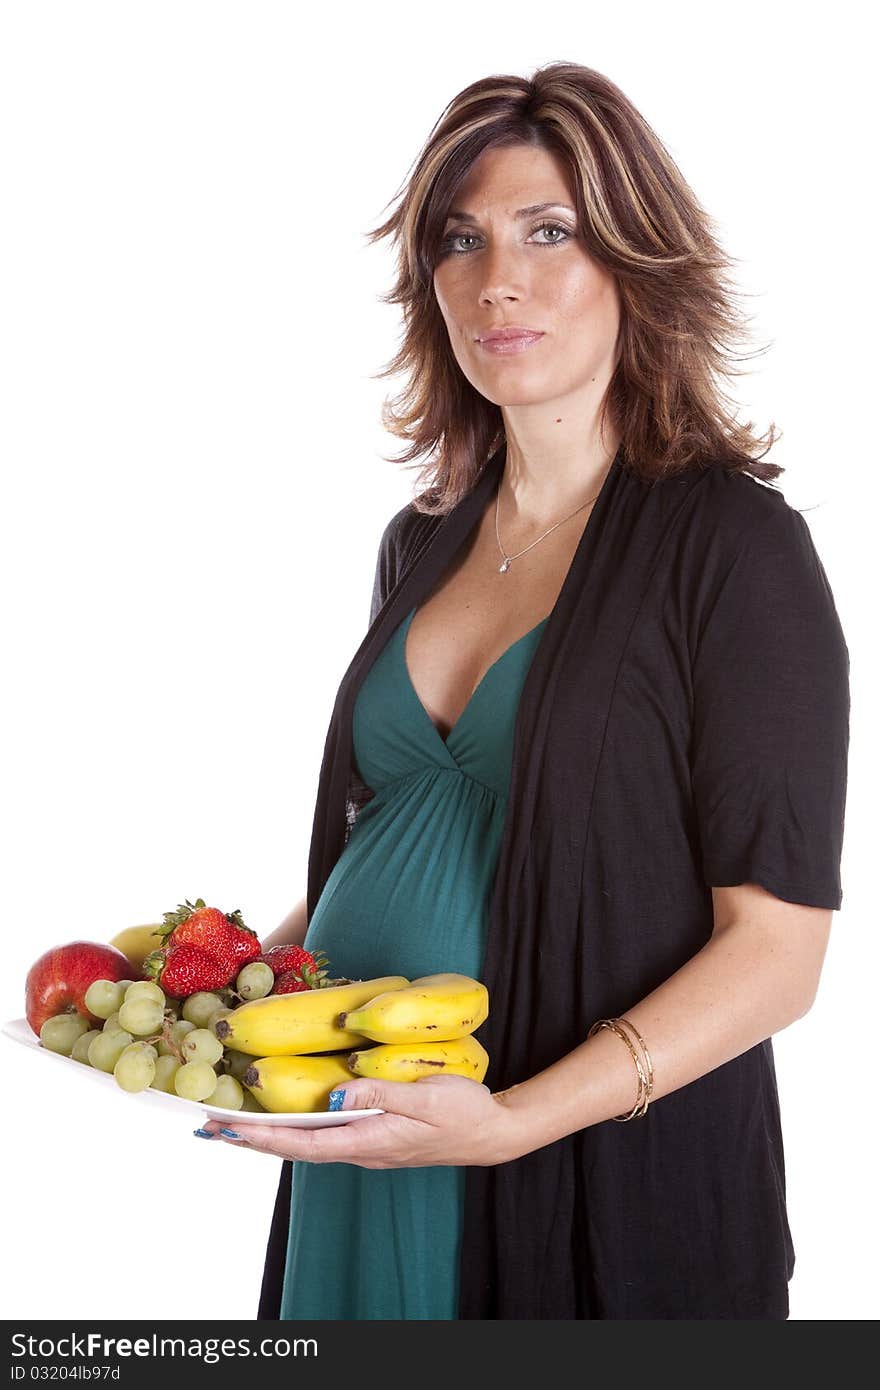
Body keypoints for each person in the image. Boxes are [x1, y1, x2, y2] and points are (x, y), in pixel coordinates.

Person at [199, 62, 850, 1320]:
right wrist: (225, 988)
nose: (496, 278)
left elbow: (776, 954)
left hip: (581, 1168)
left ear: (634, 264)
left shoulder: (731, 548)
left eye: (548, 232)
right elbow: (401, 831)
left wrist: (505, 1123)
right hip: (368, 1136)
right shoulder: (420, 541)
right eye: (461, 239)